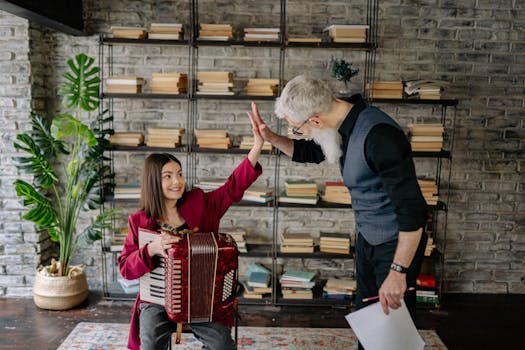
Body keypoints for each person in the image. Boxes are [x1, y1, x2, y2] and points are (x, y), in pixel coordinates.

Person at [248, 75, 428, 346]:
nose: (299, 133)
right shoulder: (342, 121)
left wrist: (398, 271)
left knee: (394, 332)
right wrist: (270, 137)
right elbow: (310, 152)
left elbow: (413, 211)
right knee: (370, 319)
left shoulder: (380, 137)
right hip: (370, 237)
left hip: (396, 244)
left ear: (316, 120)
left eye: (298, 128)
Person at [118, 113, 264, 350]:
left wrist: (257, 146)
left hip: (202, 299)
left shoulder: (201, 203)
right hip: (157, 300)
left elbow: (233, 187)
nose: (177, 181)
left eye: (179, 173)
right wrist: (152, 249)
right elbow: (125, 269)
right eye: (168, 176)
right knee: (150, 345)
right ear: (154, 182)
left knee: (222, 346)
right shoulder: (140, 221)